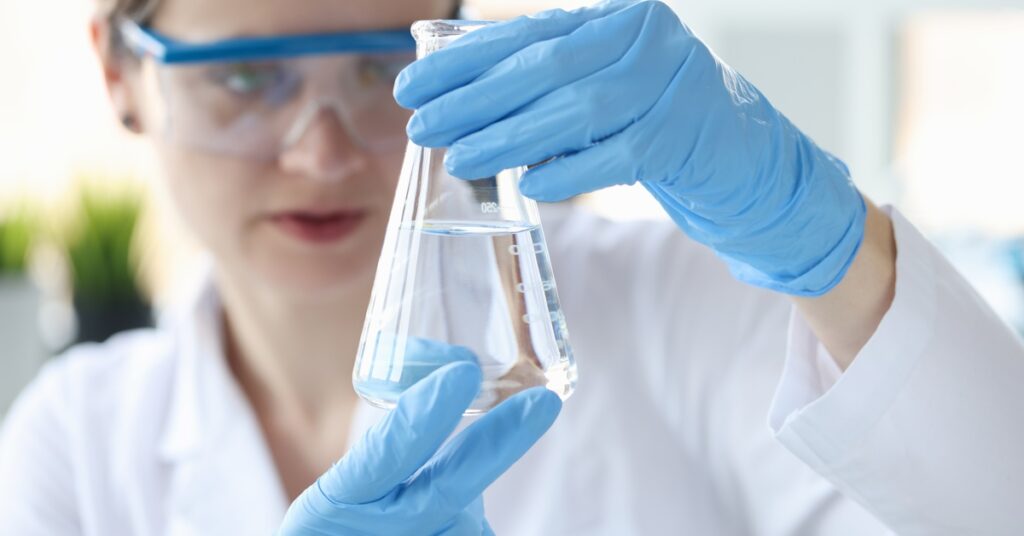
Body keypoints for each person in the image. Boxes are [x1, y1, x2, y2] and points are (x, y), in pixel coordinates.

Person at [1, 0, 1021, 533]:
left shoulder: (675, 306)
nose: (320, 151)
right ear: (119, 73)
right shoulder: (77, 444)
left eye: (374, 69)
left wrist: (828, 243)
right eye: (243, 78)